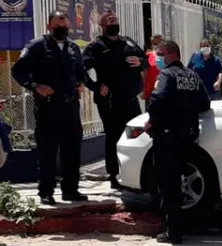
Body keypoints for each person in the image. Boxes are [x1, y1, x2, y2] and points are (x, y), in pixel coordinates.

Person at [11, 11, 88, 205]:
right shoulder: (37, 46)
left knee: (72, 150)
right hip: (49, 108)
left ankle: (71, 190)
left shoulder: (73, 48)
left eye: (64, 24)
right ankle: (46, 191)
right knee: (48, 152)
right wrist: (36, 86)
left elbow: (80, 72)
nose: (62, 28)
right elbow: (18, 70)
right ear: (49, 26)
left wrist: (81, 83)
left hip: (71, 107)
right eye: (57, 25)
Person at [147, 40, 211, 244]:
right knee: (181, 182)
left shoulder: (166, 75)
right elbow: (205, 103)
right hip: (188, 137)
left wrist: (152, 120)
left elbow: (158, 99)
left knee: (168, 184)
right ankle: (180, 226)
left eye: (161, 54)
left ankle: (173, 231)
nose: (159, 58)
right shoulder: (192, 75)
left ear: (172, 55)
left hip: (167, 136)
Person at [83, 10, 148, 190]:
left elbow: (146, 59)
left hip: (130, 99)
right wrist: (95, 86)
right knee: (113, 137)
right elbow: (80, 69)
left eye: (115, 19)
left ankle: (136, 173)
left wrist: (141, 62)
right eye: (110, 20)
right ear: (102, 26)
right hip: (110, 101)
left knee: (137, 135)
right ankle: (113, 175)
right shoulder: (96, 46)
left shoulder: (128, 41)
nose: (114, 22)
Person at [142, 33, 164, 109]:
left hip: (163, 90)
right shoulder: (148, 55)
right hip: (150, 91)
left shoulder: (168, 55)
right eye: (155, 43)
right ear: (152, 44)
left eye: (160, 43)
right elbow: (144, 73)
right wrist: (143, 90)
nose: (157, 45)